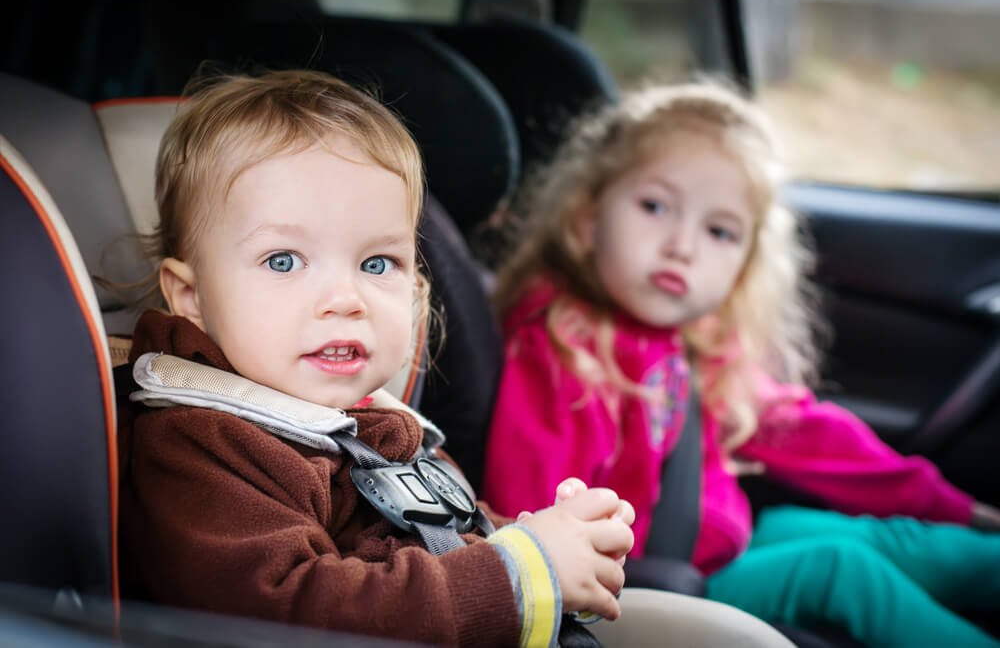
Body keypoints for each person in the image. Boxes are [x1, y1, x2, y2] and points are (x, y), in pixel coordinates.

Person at [116, 69, 794, 648]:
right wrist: (519, 570)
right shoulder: (204, 441)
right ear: (192, 297)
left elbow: (449, 533)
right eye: (284, 260)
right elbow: (289, 612)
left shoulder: (374, 423)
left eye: (376, 262)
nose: (344, 297)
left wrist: (545, 540)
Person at [481, 80, 1000, 648]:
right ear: (586, 222)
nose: (682, 244)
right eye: (655, 206)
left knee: (897, 541)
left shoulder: (690, 342)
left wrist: (954, 508)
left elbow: (811, 437)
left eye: (719, 231)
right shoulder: (562, 350)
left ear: (744, 266)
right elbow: (535, 521)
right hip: (654, 584)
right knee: (841, 570)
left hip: (721, 537)